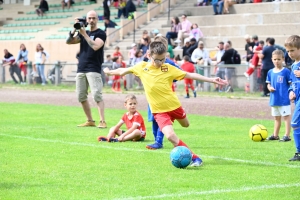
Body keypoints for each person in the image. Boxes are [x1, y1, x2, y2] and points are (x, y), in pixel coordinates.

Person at [103, 36, 227, 167]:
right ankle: (194, 158)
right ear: (149, 55)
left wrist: (212, 79)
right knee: (170, 136)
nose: (160, 63)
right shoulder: (141, 67)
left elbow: (189, 75)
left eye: (163, 59)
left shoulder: (168, 67)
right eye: (157, 60)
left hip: (174, 106)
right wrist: (109, 72)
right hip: (159, 111)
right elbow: (123, 71)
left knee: (186, 125)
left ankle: (177, 119)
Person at [66, 10, 107, 128]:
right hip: (81, 68)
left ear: (97, 19)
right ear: (87, 19)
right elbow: (68, 42)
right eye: (89, 18)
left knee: (96, 95)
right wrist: (75, 29)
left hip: (93, 68)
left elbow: (95, 46)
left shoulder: (101, 33)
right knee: (81, 96)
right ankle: (90, 120)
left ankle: (102, 121)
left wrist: (84, 34)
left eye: (94, 18)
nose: (91, 20)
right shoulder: (83, 32)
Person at [266, 50, 291, 142]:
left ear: (283, 59)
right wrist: (269, 88)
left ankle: (287, 135)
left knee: (286, 117)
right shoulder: (270, 72)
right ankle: (275, 135)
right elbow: (268, 84)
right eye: (275, 59)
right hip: (274, 99)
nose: (277, 61)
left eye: (279, 59)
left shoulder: (286, 71)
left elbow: (290, 84)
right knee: (276, 117)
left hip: (284, 99)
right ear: (272, 59)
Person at [285, 35, 300, 161]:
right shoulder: (293, 65)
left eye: (292, 50)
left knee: (295, 123)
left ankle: (299, 152)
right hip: (297, 99)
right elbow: (292, 82)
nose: (290, 53)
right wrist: (291, 91)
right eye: (288, 51)